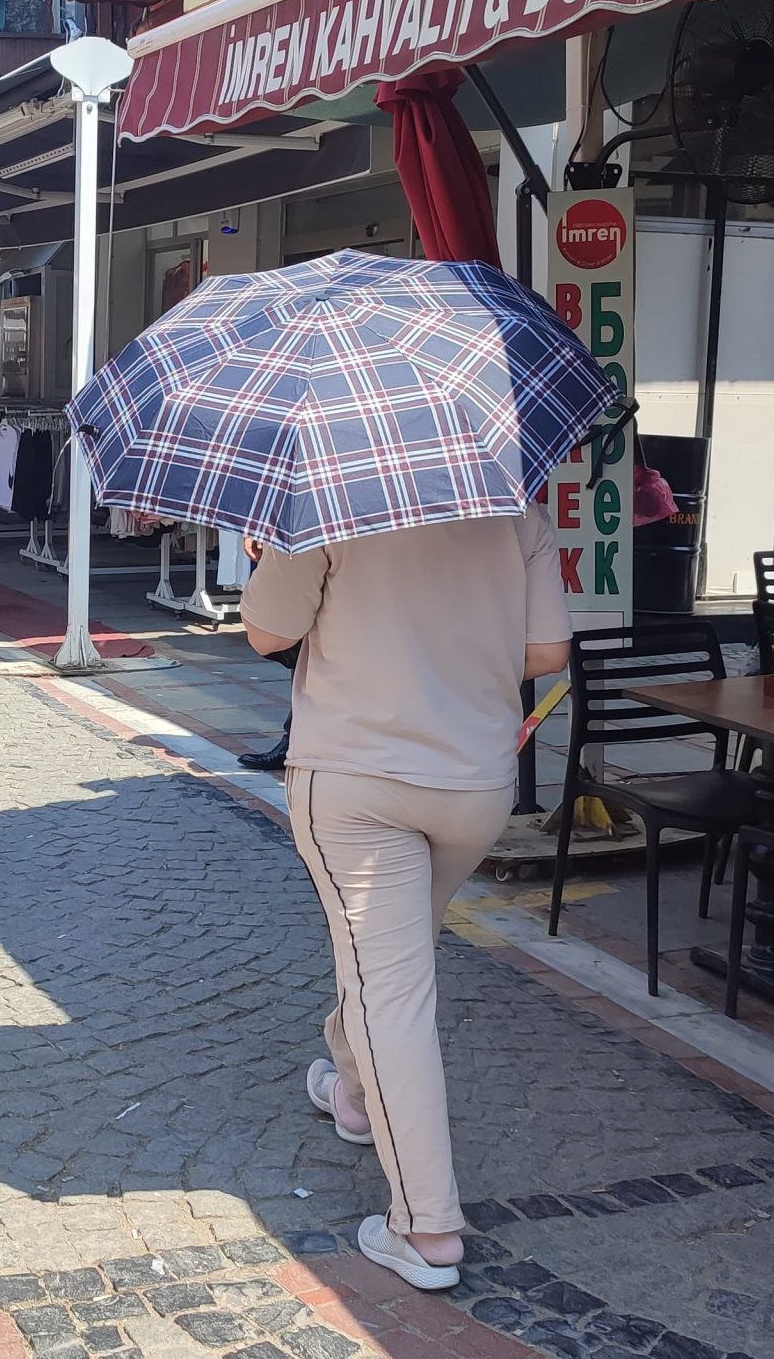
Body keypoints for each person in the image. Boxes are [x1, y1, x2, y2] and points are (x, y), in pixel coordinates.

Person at [241, 507, 570, 1291]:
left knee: (387, 983)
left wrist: (269, 553)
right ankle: (355, 1094)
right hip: (477, 780)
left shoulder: (324, 494)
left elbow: (265, 633)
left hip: (358, 779)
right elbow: (547, 651)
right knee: (387, 959)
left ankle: (425, 1224)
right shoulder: (511, 497)